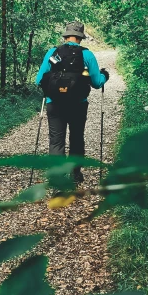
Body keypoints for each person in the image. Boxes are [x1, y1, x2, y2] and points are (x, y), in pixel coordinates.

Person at [36, 21, 109, 184]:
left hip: (54, 103)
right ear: (80, 37)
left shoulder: (53, 52)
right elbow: (97, 82)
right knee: (76, 137)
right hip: (78, 104)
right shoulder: (87, 55)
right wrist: (105, 76)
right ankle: (75, 173)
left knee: (56, 140)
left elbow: (39, 79)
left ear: (66, 35)